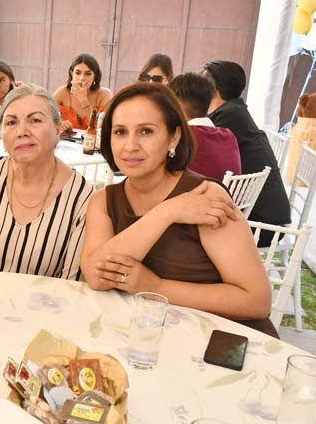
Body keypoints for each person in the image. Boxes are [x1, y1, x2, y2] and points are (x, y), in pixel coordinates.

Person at [80, 82, 275, 335]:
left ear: (174, 137)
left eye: (146, 131)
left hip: (222, 341)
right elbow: (96, 276)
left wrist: (156, 287)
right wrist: (167, 212)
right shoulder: (103, 201)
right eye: (120, 132)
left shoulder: (205, 197)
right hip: (146, 336)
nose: (130, 146)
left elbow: (257, 301)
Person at [0, 83, 93, 279]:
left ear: (58, 130)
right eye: (11, 122)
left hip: (47, 299)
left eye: (35, 120)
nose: (22, 131)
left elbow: (72, 284)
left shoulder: (81, 197)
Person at [203, 60, 290, 241]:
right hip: (267, 216)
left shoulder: (227, 117)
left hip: (261, 225)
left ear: (212, 90)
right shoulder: (235, 111)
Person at [168, 72, 242, 181]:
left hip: (195, 191)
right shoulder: (229, 135)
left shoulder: (183, 137)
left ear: (176, 105)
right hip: (225, 191)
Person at [53, 54, 112, 131]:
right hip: (67, 138)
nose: (82, 78)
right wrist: (59, 124)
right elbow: (43, 114)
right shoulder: (63, 92)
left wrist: (83, 100)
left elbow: (103, 128)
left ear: (95, 76)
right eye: (77, 73)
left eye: (88, 74)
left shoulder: (105, 94)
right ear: (71, 73)